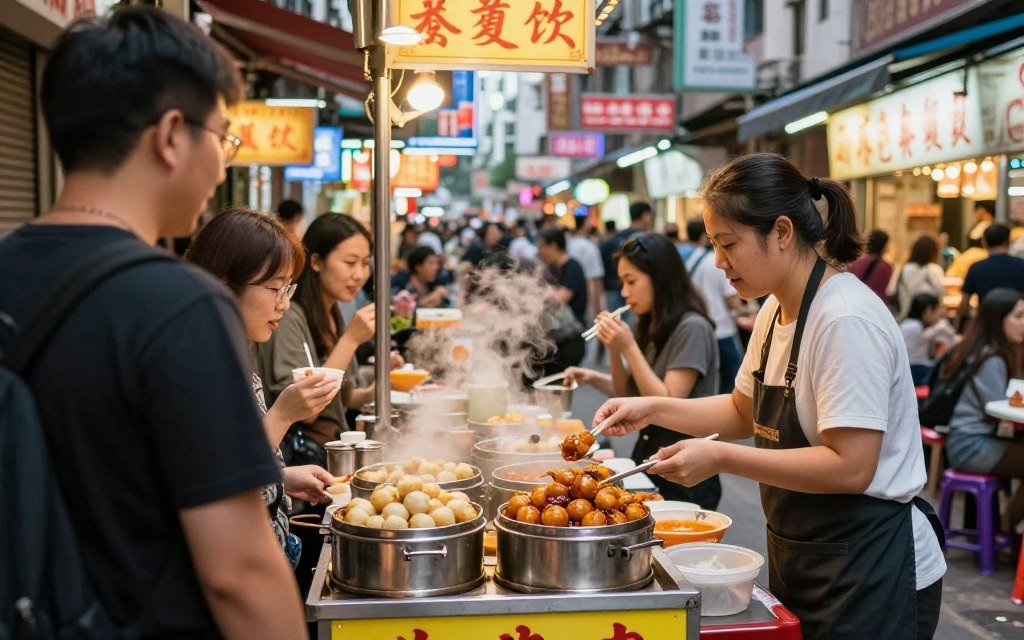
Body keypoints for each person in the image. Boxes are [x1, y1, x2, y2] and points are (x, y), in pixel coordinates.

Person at [0, 8, 306, 637]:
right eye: (222, 138)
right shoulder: (182, 304)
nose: (223, 166)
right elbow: (239, 571)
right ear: (170, 135)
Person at [593, 153, 944, 640]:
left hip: (873, 564)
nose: (719, 261)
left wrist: (721, 457)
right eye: (714, 245)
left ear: (781, 232)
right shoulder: (775, 310)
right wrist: (651, 408)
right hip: (807, 552)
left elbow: (852, 466)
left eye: (728, 244)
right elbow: (742, 410)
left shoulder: (844, 319)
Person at [185, 208, 339, 566]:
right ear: (225, 285)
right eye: (275, 289)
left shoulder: (234, 349)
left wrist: (281, 477)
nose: (284, 304)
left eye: (289, 288)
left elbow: (234, 462)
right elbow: (220, 488)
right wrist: (283, 415)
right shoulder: (197, 366)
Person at [565, 233, 722, 508]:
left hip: (685, 469)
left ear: (659, 278)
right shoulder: (649, 323)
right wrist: (612, 351)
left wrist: (628, 347)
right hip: (650, 457)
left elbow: (666, 400)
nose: (625, 292)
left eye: (631, 281)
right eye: (622, 282)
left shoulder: (692, 327)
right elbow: (630, 394)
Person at [257, 213, 377, 445]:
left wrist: (369, 395)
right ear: (316, 262)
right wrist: (350, 340)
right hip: (301, 457)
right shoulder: (287, 317)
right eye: (350, 262)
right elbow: (307, 410)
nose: (359, 275)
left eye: (365, 263)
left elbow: (337, 399)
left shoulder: (332, 311)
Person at [944, 288, 1024, 528]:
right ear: (999, 320)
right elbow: (1000, 409)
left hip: (972, 440)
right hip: (970, 445)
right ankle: (1005, 528)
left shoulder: (987, 351)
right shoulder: (992, 358)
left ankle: (1005, 530)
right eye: (1018, 316)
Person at [684, 218, 743, 393]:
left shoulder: (689, 260)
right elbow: (733, 302)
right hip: (722, 330)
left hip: (700, 329)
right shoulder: (717, 263)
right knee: (732, 385)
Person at [956, 223, 1024, 328]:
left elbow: (964, 305)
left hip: (987, 326)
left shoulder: (976, 268)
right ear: (1008, 241)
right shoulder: (1021, 265)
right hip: (1018, 325)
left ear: (984, 242)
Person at [600, 201, 653, 314]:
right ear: (645, 215)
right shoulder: (645, 239)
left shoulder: (616, 238)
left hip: (611, 288)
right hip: (634, 292)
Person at [900, 293, 956, 386]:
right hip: (914, 369)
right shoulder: (913, 326)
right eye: (937, 310)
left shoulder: (918, 326)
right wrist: (940, 327)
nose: (939, 315)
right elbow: (926, 337)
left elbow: (932, 353)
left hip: (916, 368)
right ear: (928, 311)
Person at [537, 227, 589, 327]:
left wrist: (545, 294)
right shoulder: (550, 268)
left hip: (573, 329)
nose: (540, 251)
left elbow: (560, 299)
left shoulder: (573, 267)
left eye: (542, 246)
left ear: (553, 246)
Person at [887, 234, 945, 320]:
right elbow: (941, 294)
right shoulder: (936, 270)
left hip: (905, 318)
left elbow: (891, 291)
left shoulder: (902, 270)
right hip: (930, 320)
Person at [566, 217, 606, 321]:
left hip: (570, 290)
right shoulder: (590, 247)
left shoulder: (568, 244)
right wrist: (599, 307)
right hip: (588, 291)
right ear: (584, 225)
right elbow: (596, 277)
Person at [848, 229, 893, 302]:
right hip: (871, 303)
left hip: (852, 300)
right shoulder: (885, 267)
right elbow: (882, 292)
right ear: (883, 246)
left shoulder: (856, 260)